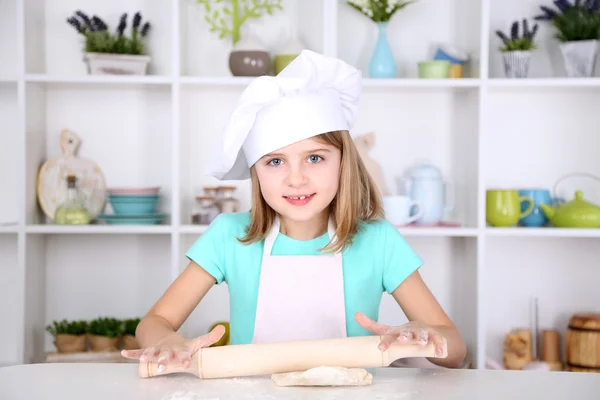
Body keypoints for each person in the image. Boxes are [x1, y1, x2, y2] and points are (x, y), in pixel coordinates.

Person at [121, 50, 466, 373]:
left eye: (314, 158)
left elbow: (456, 350)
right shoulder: (229, 236)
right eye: (275, 161)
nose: (296, 178)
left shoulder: (379, 241)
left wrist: (423, 336)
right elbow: (153, 323)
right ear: (256, 171)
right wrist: (168, 341)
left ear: (343, 162)